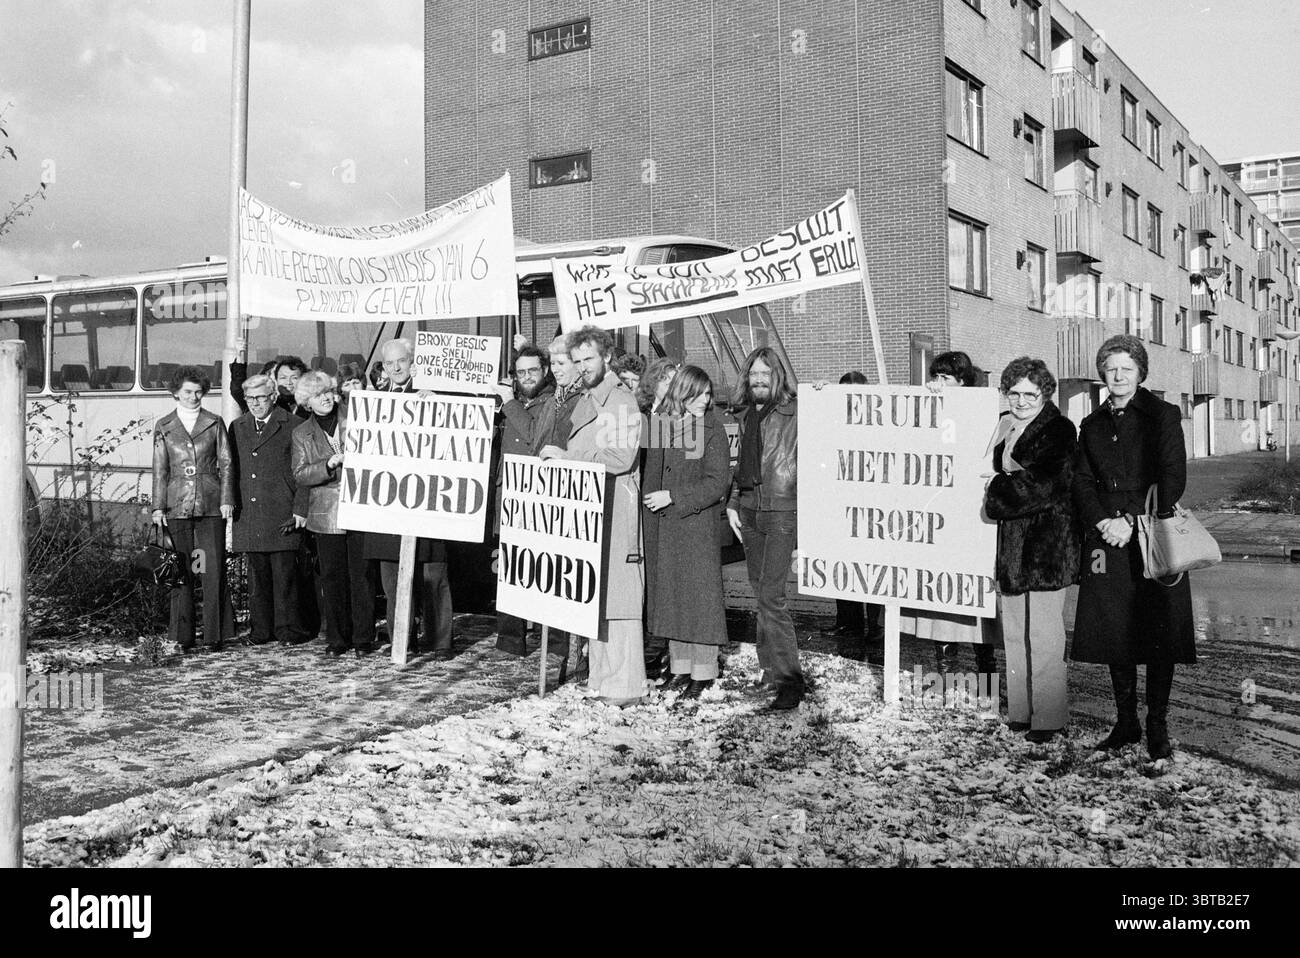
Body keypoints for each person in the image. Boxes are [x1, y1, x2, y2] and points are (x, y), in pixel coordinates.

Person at [1072, 335, 1195, 760]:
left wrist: (1129, 520)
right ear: (1102, 374)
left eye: (1127, 368)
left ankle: (1156, 724)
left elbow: (1172, 478)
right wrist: (1102, 521)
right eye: (1111, 369)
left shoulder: (1162, 415)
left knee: (1160, 633)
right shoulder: (1091, 424)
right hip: (1107, 539)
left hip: (1152, 536)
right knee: (1113, 632)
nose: (1118, 376)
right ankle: (1125, 723)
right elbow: (1082, 481)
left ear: (1141, 372)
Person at [540, 325, 645, 706]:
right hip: (593, 507)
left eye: (589, 359)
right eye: (577, 360)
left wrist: (570, 459)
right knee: (598, 597)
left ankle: (626, 684)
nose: (583, 366)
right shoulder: (588, 398)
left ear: (606, 358)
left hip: (616, 506)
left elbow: (621, 457)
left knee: (619, 597)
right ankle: (602, 678)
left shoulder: (619, 400)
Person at [983, 357, 1080, 741]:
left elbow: (1046, 484)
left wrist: (995, 492)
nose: (1021, 401)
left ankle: (1049, 717)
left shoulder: (1059, 429)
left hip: (1047, 545)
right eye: (1014, 393)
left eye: (1030, 394)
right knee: (1014, 632)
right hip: (1011, 544)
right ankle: (1021, 711)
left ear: (1045, 394)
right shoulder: (1005, 423)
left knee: (1043, 635)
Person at [902, 351, 999, 682]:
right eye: (936, 377)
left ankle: (986, 677)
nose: (938, 384)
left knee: (975, 604)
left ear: (963, 382)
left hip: (972, 522)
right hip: (941, 523)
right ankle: (946, 677)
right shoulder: (931, 412)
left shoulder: (982, 415)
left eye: (947, 378)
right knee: (941, 602)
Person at [643, 366, 733, 701]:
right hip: (664, 527)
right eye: (697, 393)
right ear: (681, 392)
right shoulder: (663, 425)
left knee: (699, 601)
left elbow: (716, 482)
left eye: (708, 394)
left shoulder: (712, 429)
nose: (704, 400)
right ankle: (681, 668)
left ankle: (704, 671)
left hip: (694, 526)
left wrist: (674, 497)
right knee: (672, 598)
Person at [363, 338, 455, 659]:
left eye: (401, 361)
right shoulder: (375, 403)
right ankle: (402, 637)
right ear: (384, 367)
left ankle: (440, 640)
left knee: (433, 574)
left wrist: (438, 404)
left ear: (413, 361)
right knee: (392, 579)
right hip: (389, 502)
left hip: (427, 500)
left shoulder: (432, 396)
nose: (396, 368)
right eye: (390, 363)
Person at [725, 347, 804, 710]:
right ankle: (770, 672)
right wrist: (732, 503)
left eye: (766, 374)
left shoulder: (797, 413)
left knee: (772, 597)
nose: (759, 379)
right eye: (754, 373)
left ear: (778, 377)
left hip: (782, 510)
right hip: (750, 509)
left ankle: (790, 680)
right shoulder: (744, 415)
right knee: (760, 597)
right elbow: (740, 464)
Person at [150, 365, 235, 652]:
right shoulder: (164, 425)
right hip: (177, 505)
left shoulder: (214, 421)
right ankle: (182, 636)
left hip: (211, 504)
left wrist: (226, 499)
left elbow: (226, 463)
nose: (193, 397)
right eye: (187, 391)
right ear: (176, 393)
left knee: (211, 570)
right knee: (180, 571)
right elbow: (160, 470)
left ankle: (215, 635)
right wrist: (157, 507)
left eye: (198, 392)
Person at [290, 372, 376, 657]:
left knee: (361, 576)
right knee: (332, 577)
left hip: (361, 506)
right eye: (317, 395)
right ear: (306, 403)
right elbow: (301, 475)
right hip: (327, 515)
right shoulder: (302, 433)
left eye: (327, 391)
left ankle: (364, 638)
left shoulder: (357, 416)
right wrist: (328, 463)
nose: (325, 398)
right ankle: (338, 638)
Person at [228, 373, 312, 647]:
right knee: (258, 576)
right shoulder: (238, 426)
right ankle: (261, 631)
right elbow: (232, 469)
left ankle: (289, 631)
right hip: (251, 511)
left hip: (282, 509)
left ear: (273, 397)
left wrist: (300, 509)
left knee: (285, 575)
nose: (255, 403)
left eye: (261, 397)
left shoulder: (294, 425)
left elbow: (303, 475)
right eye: (250, 398)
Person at [495, 345, 556, 656]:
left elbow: (536, 436)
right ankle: (510, 640)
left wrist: (507, 404)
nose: (527, 377)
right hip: (510, 496)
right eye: (521, 372)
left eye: (532, 370)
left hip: (540, 497)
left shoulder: (554, 400)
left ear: (545, 371)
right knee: (510, 567)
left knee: (549, 568)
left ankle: (556, 645)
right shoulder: (511, 401)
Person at [826, 370, 884, 659]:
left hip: (871, 504)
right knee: (844, 564)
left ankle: (876, 625)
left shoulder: (877, 421)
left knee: (870, 565)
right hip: (842, 502)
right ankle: (848, 622)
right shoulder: (834, 420)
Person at [635, 357, 680, 681]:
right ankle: (652, 645)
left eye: (676, 379)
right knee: (647, 579)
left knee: (664, 580)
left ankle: (659, 648)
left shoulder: (679, 419)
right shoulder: (641, 416)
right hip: (640, 507)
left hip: (665, 508)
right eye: (665, 379)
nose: (671, 385)